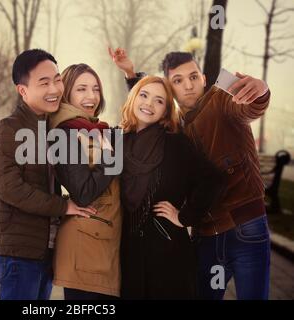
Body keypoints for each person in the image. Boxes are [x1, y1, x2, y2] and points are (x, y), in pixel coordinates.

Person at [110, 47, 271, 300]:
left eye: (194, 77)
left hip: (243, 225)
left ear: (204, 78)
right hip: (205, 232)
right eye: (178, 81)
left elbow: (249, 107)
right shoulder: (177, 125)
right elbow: (149, 105)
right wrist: (131, 74)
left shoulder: (222, 98)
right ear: (171, 89)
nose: (188, 85)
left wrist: (260, 90)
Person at [0, 49, 96, 300]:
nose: (54, 89)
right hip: (18, 253)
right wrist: (63, 206)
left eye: (57, 80)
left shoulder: (48, 128)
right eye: (44, 83)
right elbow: (11, 189)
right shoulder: (9, 129)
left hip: (43, 250)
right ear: (22, 91)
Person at [118, 75, 224, 299]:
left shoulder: (175, 144)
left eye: (159, 100)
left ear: (166, 110)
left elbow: (212, 179)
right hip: (128, 253)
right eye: (144, 95)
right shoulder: (119, 141)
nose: (148, 104)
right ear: (133, 97)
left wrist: (185, 216)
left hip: (167, 252)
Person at [49, 63, 122, 299]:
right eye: (81, 89)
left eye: (95, 89)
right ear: (67, 93)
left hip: (101, 241)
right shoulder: (66, 133)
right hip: (86, 248)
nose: (91, 96)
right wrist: (114, 155)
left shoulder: (93, 130)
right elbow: (83, 192)